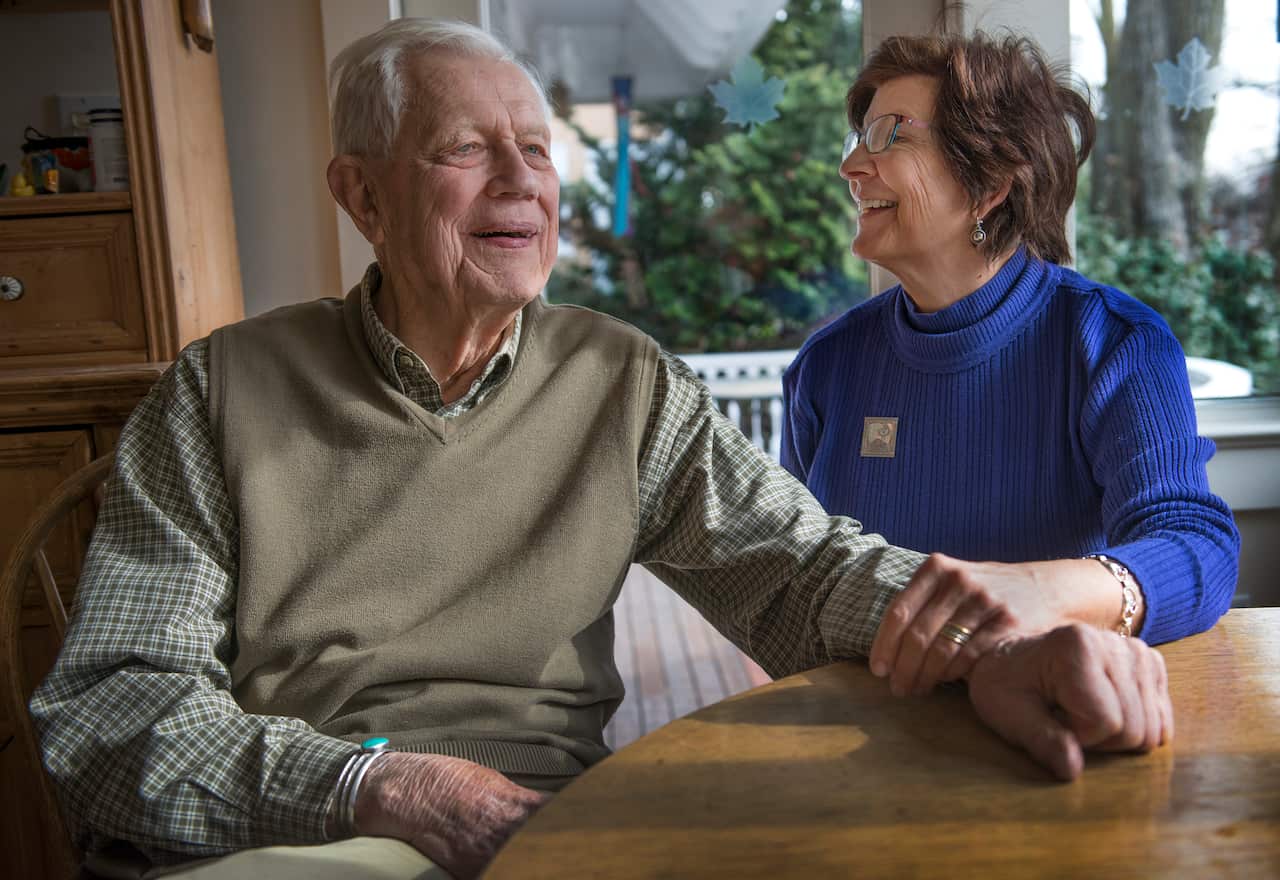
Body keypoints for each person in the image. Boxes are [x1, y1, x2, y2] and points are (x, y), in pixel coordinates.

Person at [33, 20, 1172, 880]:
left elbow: (800, 569)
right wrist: (379, 785)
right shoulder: (219, 390)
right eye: (466, 149)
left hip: (538, 826)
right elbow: (108, 713)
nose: (521, 179)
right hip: (290, 829)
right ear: (361, 196)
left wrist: (996, 646)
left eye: (534, 149)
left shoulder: (621, 381)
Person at [781, 32, 1239, 699]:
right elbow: (798, 583)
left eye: (889, 135)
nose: (852, 165)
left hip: (1052, 722)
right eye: (858, 138)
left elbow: (1197, 546)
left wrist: (1037, 591)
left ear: (990, 182)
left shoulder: (1114, 344)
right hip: (866, 728)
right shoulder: (827, 367)